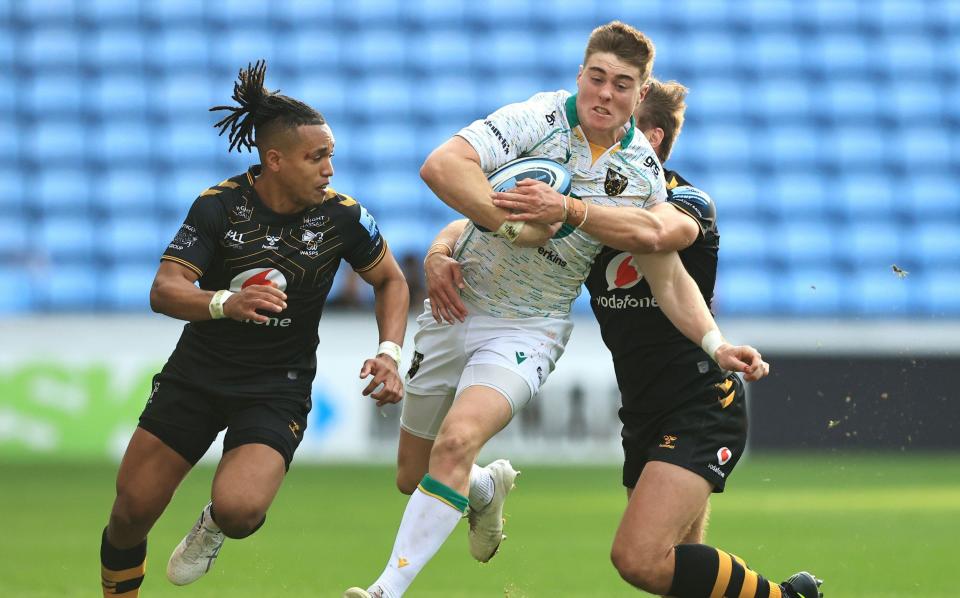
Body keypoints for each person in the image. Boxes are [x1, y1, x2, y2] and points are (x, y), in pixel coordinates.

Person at [345, 22, 768, 598]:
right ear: (580, 75)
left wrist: (716, 344)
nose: (605, 94)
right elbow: (443, 167)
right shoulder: (537, 119)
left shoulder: (649, 180)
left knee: (460, 446)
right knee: (412, 475)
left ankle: (382, 592)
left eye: (622, 85)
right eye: (596, 78)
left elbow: (662, 258)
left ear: (642, 98)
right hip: (458, 309)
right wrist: (478, 236)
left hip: (533, 327)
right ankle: (484, 492)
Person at [479, 79, 824, 597]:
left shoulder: (687, 202)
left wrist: (570, 212)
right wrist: (441, 255)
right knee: (672, 571)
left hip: (700, 402)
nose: (601, 136)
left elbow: (656, 235)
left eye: (623, 125)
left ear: (654, 138)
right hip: (642, 408)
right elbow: (486, 211)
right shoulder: (587, 199)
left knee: (637, 558)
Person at [99, 61, 409, 597]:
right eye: (317, 157)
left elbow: (391, 281)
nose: (330, 169)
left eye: (331, 155)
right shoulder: (220, 206)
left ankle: (213, 525)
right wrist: (225, 302)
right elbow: (165, 289)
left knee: (241, 511)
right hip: (196, 376)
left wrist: (389, 351)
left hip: (276, 385)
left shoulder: (344, 217)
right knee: (130, 514)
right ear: (275, 159)